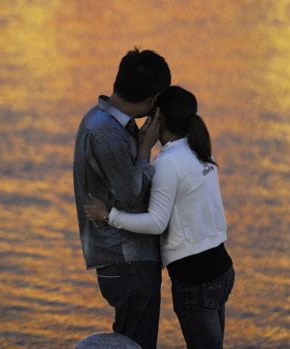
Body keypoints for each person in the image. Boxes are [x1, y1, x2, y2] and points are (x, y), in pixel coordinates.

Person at [84, 86, 235, 349]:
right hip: (221, 271)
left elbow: (156, 222)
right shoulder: (200, 150)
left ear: (158, 120)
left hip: (195, 280)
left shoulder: (168, 162)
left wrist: (109, 216)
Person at [72, 47, 170, 349]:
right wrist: (145, 149)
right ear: (153, 100)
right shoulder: (108, 134)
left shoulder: (99, 121)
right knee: (136, 345)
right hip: (128, 261)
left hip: (120, 261)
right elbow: (130, 196)